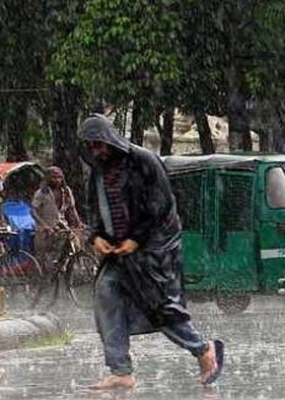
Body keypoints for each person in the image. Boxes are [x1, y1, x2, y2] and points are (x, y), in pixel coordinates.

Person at [80, 114, 224, 390]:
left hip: (154, 250)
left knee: (160, 307)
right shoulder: (98, 170)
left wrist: (137, 238)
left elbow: (161, 203)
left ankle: (203, 349)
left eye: (99, 144)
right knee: (106, 295)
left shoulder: (143, 160)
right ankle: (121, 370)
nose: (96, 151)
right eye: (91, 146)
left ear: (110, 139)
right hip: (118, 251)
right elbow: (93, 206)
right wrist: (96, 236)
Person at [31, 167, 84, 267]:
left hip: (62, 225)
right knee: (47, 255)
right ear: (47, 178)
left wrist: (78, 222)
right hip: (46, 228)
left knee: (75, 245)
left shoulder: (66, 191)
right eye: (53, 177)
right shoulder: (42, 193)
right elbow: (33, 211)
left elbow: (72, 209)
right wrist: (44, 225)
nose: (57, 180)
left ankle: (72, 269)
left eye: (59, 177)